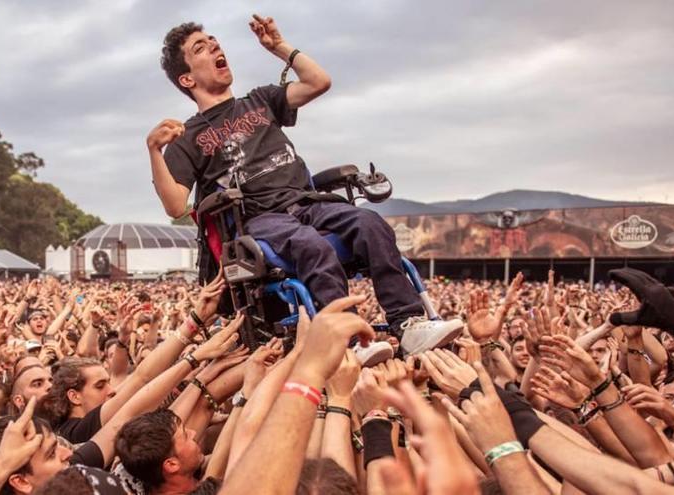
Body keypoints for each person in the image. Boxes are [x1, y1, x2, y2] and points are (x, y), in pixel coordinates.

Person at [147, 15, 463, 358]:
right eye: (200, 48)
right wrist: (154, 150)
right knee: (311, 245)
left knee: (371, 223)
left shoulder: (260, 100)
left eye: (213, 40)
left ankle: (408, 323)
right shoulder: (188, 137)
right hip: (260, 219)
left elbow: (319, 82)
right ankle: (348, 340)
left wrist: (279, 47)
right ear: (187, 77)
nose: (214, 46)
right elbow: (176, 205)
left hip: (307, 201)